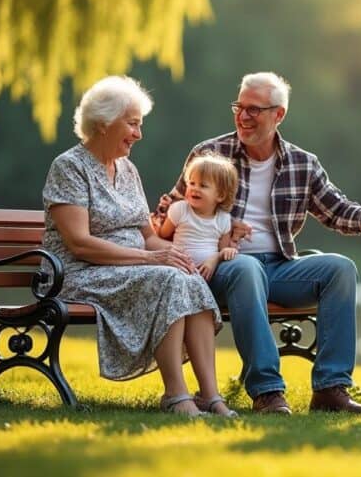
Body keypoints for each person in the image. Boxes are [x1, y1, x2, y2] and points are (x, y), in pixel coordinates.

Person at [154, 72, 361, 415]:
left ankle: (331, 389)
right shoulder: (210, 154)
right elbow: (174, 211)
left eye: (254, 110)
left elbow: (337, 210)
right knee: (246, 267)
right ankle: (268, 392)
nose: (243, 116)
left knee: (340, 269)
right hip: (223, 266)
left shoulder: (302, 163)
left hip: (279, 265)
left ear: (278, 114)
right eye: (239, 107)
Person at [42, 75, 236, 418]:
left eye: (139, 124)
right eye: (132, 124)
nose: (138, 134)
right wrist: (152, 258)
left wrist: (177, 256)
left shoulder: (128, 169)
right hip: (78, 275)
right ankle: (176, 396)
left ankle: (211, 396)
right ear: (103, 123)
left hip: (130, 268)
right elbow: (80, 244)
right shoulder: (69, 167)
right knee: (168, 280)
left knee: (186, 277)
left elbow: (148, 234)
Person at [158, 153, 240, 281]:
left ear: (220, 195)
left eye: (203, 185)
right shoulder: (180, 209)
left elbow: (222, 250)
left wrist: (224, 254)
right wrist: (162, 215)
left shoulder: (223, 219)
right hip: (179, 270)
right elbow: (163, 234)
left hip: (208, 274)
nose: (195, 189)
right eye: (192, 183)